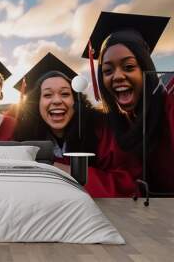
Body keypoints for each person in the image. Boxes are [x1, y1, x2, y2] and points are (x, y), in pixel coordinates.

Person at [82, 11, 173, 196]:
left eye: (129, 67)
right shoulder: (118, 124)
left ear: (145, 67)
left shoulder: (169, 104)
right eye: (107, 71)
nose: (117, 76)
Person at [13, 53, 104, 192]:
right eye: (47, 95)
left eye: (65, 94)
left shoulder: (100, 130)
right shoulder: (22, 139)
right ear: (36, 104)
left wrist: (54, 168)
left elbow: (122, 182)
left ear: (76, 100)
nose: (56, 101)